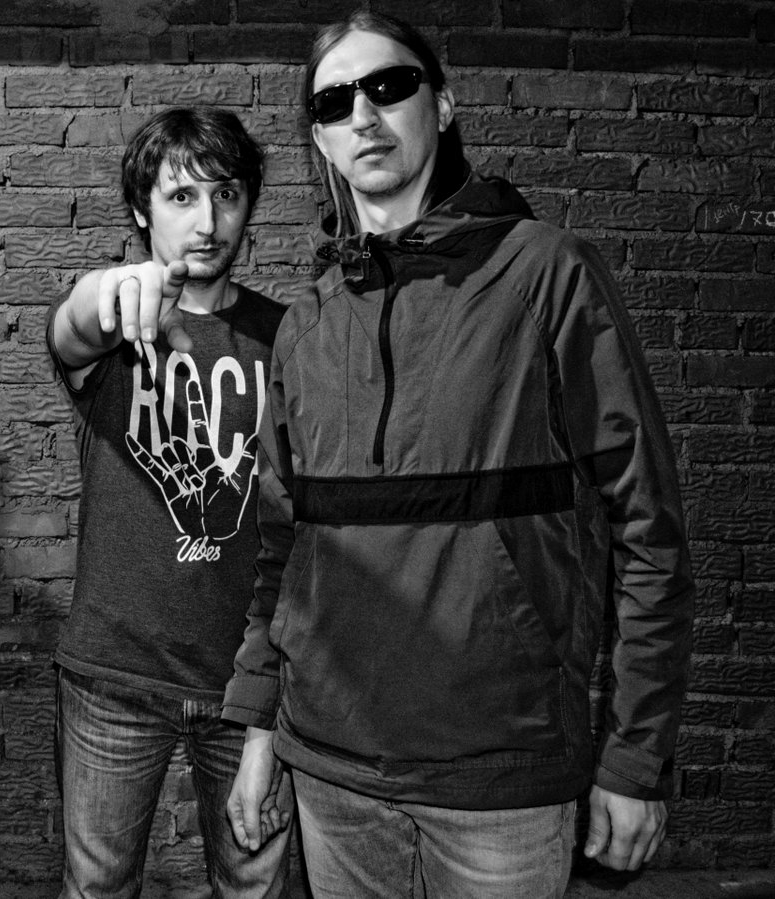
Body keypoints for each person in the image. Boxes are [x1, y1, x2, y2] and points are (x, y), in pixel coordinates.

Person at [223, 11, 695, 898]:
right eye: (334, 102)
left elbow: (648, 528)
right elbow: (282, 553)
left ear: (441, 105)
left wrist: (636, 757)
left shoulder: (547, 275)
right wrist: (260, 730)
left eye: (388, 86)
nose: (363, 115)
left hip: (501, 784)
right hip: (333, 777)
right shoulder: (307, 326)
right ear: (320, 141)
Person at [47, 107, 292, 899]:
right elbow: (73, 326)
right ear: (141, 209)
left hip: (248, 682)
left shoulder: (289, 337)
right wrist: (113, 289)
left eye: (227, 195)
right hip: (115, 675)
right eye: (182, 197)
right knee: (96, 887)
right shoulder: (115, 324)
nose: (208, 221)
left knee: (256, 888)